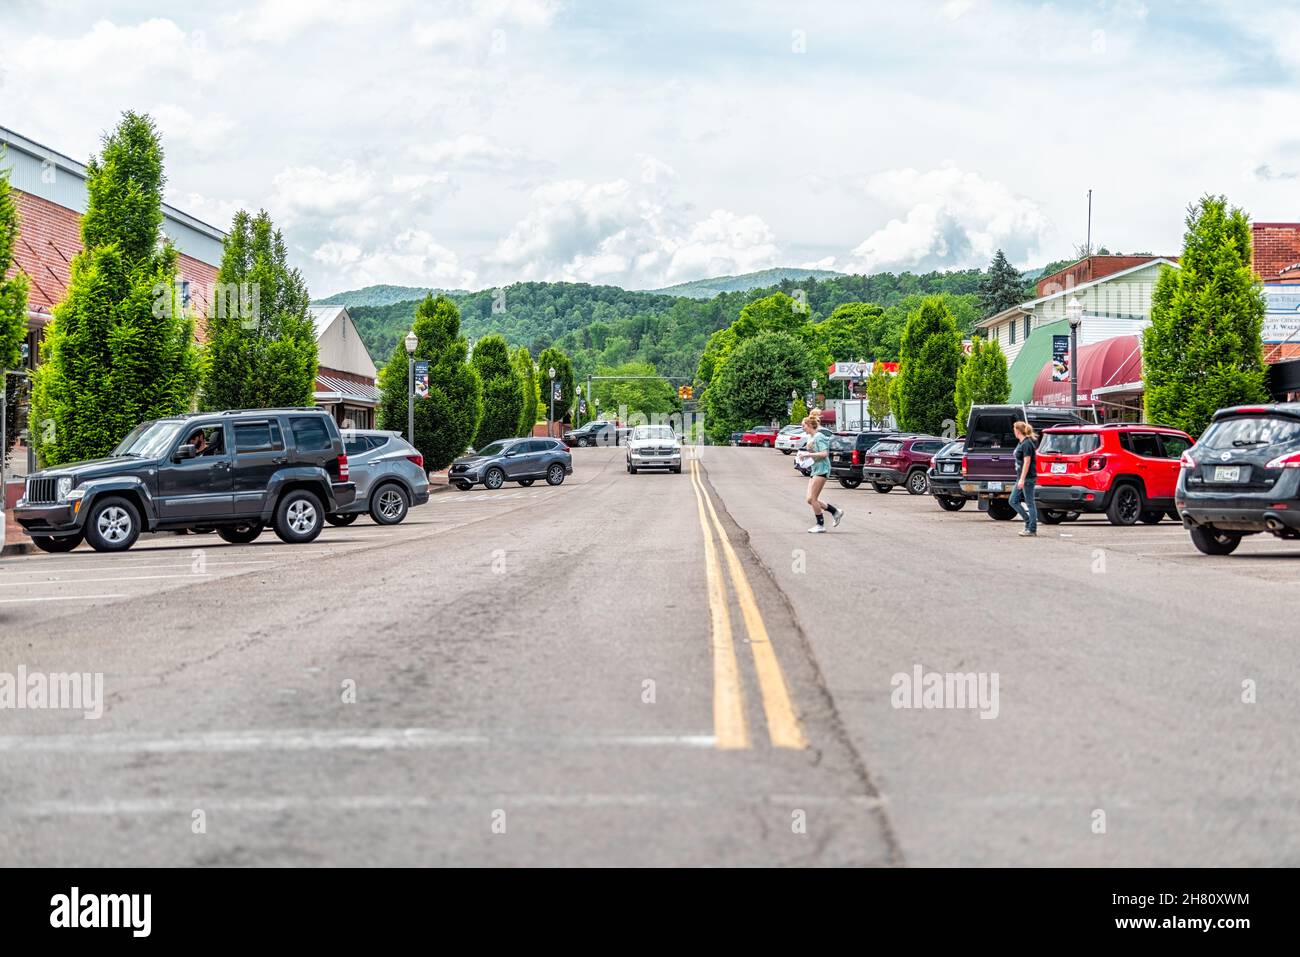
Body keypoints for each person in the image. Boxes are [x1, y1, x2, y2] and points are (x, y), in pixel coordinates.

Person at [801, 409, 843, 534]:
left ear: (809, 425)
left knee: (813, 499)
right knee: (809, 499)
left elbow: (825, 454)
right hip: (815, 470)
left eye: (803, 426)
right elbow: (813, 453)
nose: (802, 428)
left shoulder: (819, 437)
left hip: (822, 470)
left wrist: (809, 454)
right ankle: (835, 511)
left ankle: (820, 525)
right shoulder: (812, 437)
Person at [1009, 420, 1038, 537]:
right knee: (1012, 500)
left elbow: (1027, 462)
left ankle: (1032, 529)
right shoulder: (1021, 443)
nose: (1013, 432)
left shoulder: (1027, 444)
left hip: (1027, 478)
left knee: (1030, 502)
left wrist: (1022, 479)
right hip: (1020, 477)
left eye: (1014, 429)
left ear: (1018, 431)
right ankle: (1028, 522)